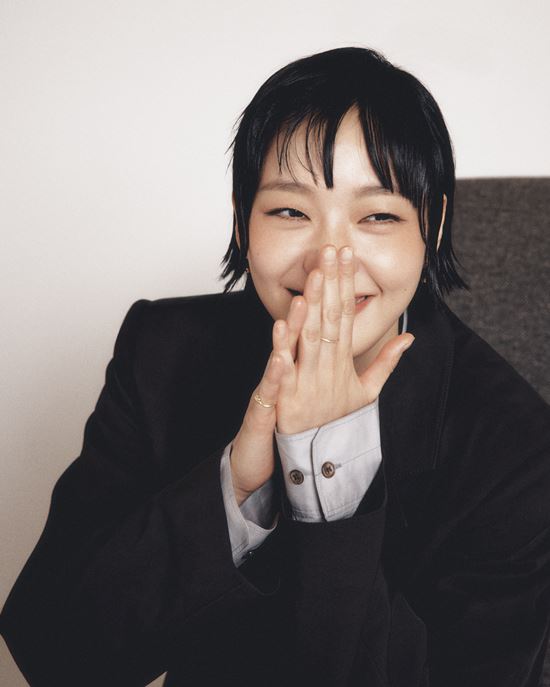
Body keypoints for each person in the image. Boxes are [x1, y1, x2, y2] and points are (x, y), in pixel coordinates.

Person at [1, 46, 549, 687]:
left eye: (378, 215)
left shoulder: (518, 449)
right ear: (241, 219)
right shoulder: (162, 353)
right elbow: (51, 650)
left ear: (432, 224)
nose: (330, 259)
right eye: (291, 211)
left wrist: (331, 474)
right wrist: (236, 487)